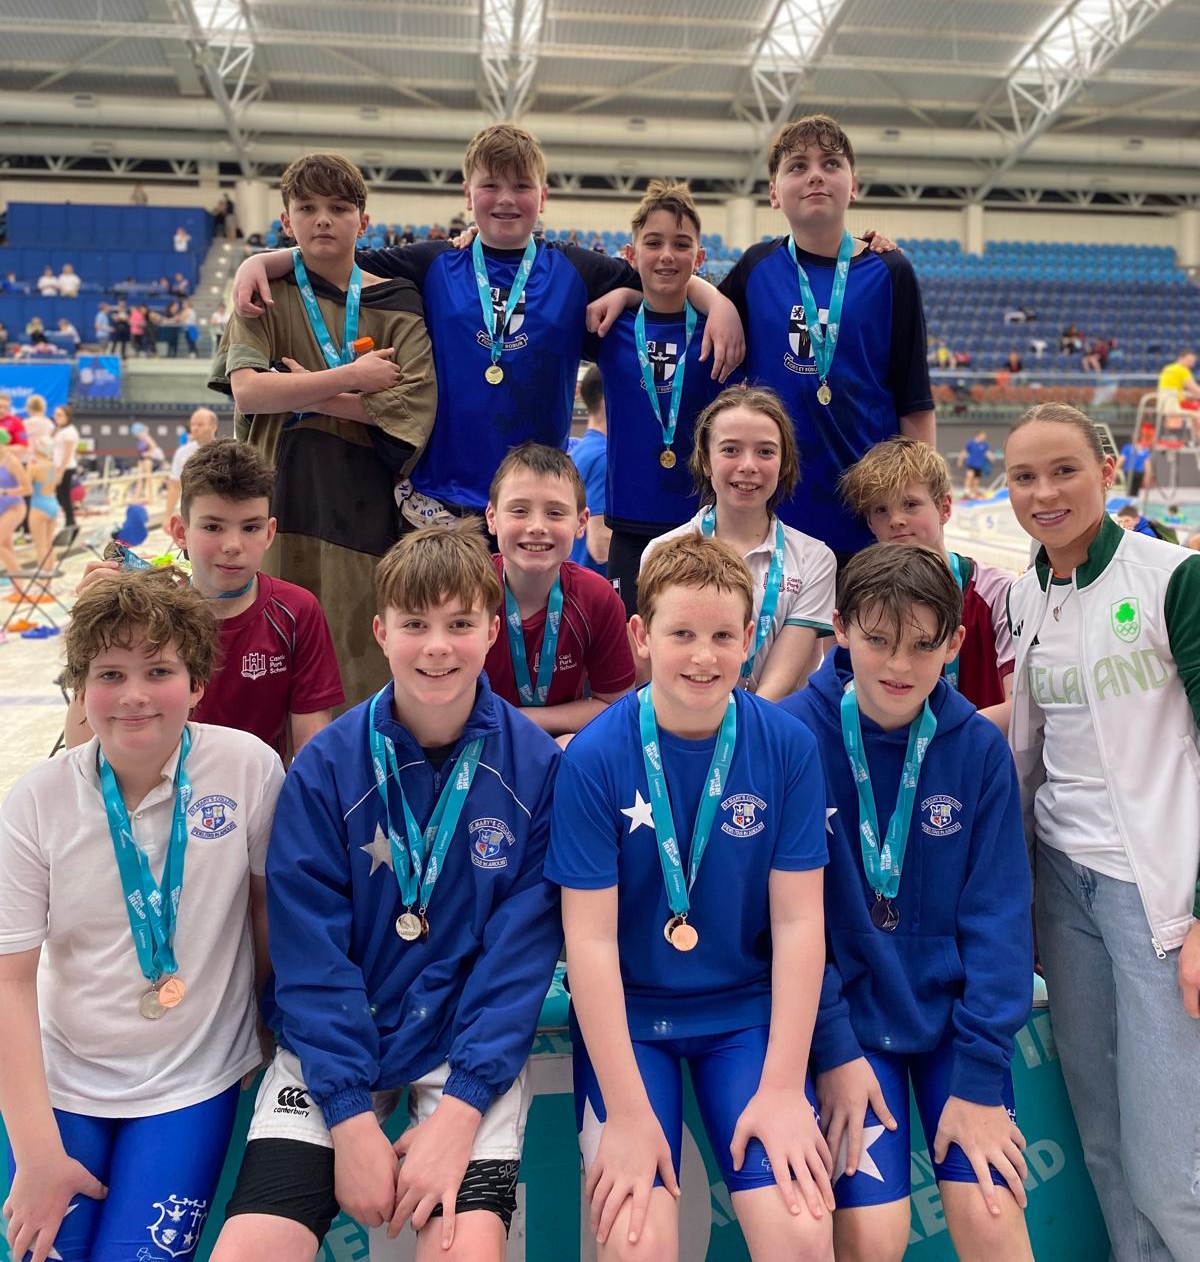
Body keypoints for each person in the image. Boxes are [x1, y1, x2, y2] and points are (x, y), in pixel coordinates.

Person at [209, 523, 562, 1262]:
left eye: (461, 624)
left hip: (462, 1045)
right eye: (415, 625)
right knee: (250, 1251)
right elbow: (308, 955)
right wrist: (347, 1114)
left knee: (467, 1252)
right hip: (338, 1040)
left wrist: (463, 1108)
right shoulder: (327, 767)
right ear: (380, 630)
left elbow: (518, 960)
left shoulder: (536, 769)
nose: (438, 647)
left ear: (493, 629)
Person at [547, 534, 835, 1262]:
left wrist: (779, 1089)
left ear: (749, 639)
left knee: (802, 1236)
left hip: (744, 1016)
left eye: (720, 637)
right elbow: (590, 942)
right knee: (637, 1243)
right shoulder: (594, 758)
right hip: (632, 1024)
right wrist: (631, 1113)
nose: (702, 657)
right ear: (642, 636)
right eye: (681, 634)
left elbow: (801, 922)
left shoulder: (787, 747)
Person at [229, 124, 742, 529]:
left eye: (521, 186)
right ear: (466, 192)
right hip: (439, 498)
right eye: (490, 185)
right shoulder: (432, 263)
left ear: (543, 197)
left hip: (533, 504)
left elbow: (660, 274)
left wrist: (712, 298)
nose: (505, 199)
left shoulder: (576, 269)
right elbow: (341, 259)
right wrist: (261, 263)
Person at [0, 571, 283, 1262]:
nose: (132, 695)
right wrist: (36, 1152)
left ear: (196, 683)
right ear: (79, 687)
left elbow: (268, 916)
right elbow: (8, 983)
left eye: (158, 670)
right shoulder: (35, 802)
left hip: (189, 1082)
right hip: (63, 1079)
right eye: (109, 673)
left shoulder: (247, 770)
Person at [783, 544, 1034, 1262]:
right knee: (874, 1234)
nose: (899, 666)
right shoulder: (795, 739)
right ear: (839, 628)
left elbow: (1000, 918)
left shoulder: (976, 750)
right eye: (878, 641)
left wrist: (982, 1076)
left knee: (991, 1218)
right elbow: (784, 924)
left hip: (956, 1033)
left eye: (924, 646)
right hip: (848, 1031)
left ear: (955, 643)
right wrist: (830, 1048)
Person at [1004, 401, 1200, 1262]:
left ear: (1108, 473)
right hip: (1063, 889)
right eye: (1024, 477)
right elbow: (1036, 736)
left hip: (1153, 896)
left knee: (1173, 1169)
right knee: (1104, 1147)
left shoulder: (1171, 579)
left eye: (1063, 470)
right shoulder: (1025, 593)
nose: (1044, 493)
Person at [211, 151, 436, 704]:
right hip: (276, 502)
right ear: (285, 221)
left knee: (355, 666)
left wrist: (307, 391)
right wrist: (354, 379)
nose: (322, 219)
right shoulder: (261, 294)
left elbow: (415, 412)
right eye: (307, 208)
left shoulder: (398, 301)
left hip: (363, 511)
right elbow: (249, 390)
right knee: (270, 661)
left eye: (338, 207)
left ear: (363, 219)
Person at [718, 115, 933, 564]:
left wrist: (922, 501)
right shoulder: (757, 267)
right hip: (777, 511)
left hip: (869, 512)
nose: (815, 174)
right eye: (797, 166)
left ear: (852, 186)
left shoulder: (890, 271)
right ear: (774, 194)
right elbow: (685, 310)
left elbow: (913, 397)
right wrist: (706, 298)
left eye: (831, 163)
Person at [66, 440, 343, 763]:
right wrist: (91, 624)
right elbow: (81, 748)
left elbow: (312, 744)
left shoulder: (296, 611)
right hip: (159, 799)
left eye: (250, 527)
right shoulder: (148, 615)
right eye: (213, 526)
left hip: (260, 798)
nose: (232, 545)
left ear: (269, 534)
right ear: (180, 531)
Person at [591, 179, 731, 617]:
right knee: (631, 657)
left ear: (700, 257)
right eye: (653, 243)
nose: (667, 254)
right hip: (629, 529)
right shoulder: (610, 326)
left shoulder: (721, 330)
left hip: (702, 527)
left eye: (681, 244)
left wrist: (717, 301)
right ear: (631, 255)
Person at [642, 386, 835, 700]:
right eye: (731, 450)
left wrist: (744, 729)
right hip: (691, 718)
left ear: (784, 462)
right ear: (706, 461)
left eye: (765, 451)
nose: (748, 465)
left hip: (772, 722)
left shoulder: (815, 559)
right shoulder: (661, 551)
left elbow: (782, 678)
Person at [840, 438, 1014, 727]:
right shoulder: (857, 596)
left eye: (910, 504)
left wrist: (943, 741)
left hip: (976, 757)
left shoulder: (997, 593)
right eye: (881, 510)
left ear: (945, 508)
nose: (896, 520)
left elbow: (1020, 708)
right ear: (870, 523)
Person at [483, 442, 634, 739]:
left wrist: (523, 719)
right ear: (492, 518)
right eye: (519, 511)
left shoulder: (597, 598)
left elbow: (616, 707)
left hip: (555, 739)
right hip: (475, 740)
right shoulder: (464, 588)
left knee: (568, 746)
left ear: (581, 523)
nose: (537, 526)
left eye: (554, 513)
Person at [569, 363, 610, 575]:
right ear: (607, 401)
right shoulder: (604, 457)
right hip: (594, 585)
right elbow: (600, 547)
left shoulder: (582, 450)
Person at [163, 406, 220, 525]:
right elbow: (175, 486)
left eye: (200, 424)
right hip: (192, 512)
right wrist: (167, 515)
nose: (195, 428)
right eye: (193, 424)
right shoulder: (182, 453)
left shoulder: (224, 451)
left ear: (213, 426)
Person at [0, 429, 32, 584]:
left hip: (14, 507)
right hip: (2, 509)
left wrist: (5, 491)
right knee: (6, 545)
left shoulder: (11, 461)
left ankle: (20, 582)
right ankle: (18, 584)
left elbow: (27, 489)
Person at [26, 440, 62, 571]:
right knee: (49, 543)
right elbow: (57, 481)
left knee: (40, 545)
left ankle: (43, 579)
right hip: (53, 503)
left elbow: (27, 486)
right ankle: (50, 577)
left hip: (39, 504)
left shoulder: (34, 466)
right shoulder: (53, 465)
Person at [1156, 349, 1200, 440]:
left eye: (1193, 361)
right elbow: (1195, 389)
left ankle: (1195, 437)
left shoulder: (1167, 368)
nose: (1191, 364)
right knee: (1197, 412)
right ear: (1181, 358)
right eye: (1189, 361)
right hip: (1173, 405)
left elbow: (1173, 388)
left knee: (1195, 408)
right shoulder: (1182, 370)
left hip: (1162, 404)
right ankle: (1197, 437)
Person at [52, 402, 80, 528]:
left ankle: (70, 520)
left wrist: (60, 471)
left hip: (66, 467)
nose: (56, 417)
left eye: (60, 415)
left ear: (67, 416)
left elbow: (67, 454)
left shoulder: (70, 431)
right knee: (60, 495)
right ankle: (70, 519)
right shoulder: (59, 430)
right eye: (55, 415)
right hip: (58, 466)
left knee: (63, 495)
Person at [958, 430, 994, 496]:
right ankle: (966, 491)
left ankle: (973, 494)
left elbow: (988, 453)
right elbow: (964, 452)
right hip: (971, 464)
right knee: (969, 476)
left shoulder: (984, 445)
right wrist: (960, 460)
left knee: (976, 481)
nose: (985, 437)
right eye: (983, 435)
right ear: (979, 435)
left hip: (979, 465)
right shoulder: (971, 443)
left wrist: (992, 458)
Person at [1119, 430, 1153, 495]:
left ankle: (1130, 500)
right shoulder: (1144, 450)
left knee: (1130, 490)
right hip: (1137, 473)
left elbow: (1121, 460)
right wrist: (1147, 476)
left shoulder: (1128, 448)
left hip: (1130, 472)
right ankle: (1132, 500)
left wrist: (1115, 470)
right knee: (1134, 491)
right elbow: (1147, 464)